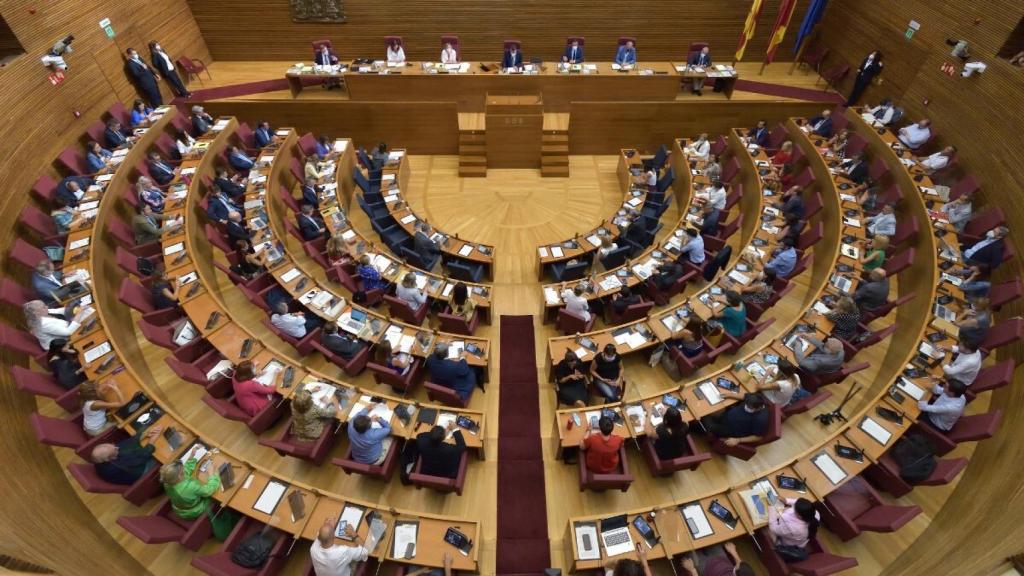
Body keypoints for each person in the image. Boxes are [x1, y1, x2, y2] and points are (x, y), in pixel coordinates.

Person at [159, 454, 237, 539]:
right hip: (194, 510)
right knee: (219, 495)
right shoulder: (190, 486)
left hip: (179, 508)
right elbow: (208, 491)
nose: (184, 471)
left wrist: (192, 457)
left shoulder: (167, 482)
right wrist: (212, 474)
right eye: (182, 471)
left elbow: (185, 473)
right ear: (179, 476)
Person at [91, 425, 162, 485]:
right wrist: (152, 440)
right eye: (115, 450)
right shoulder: (118, 465)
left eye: (113, 445)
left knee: (133, 448)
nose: (117, 447)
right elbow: (143, 455)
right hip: (137, 474)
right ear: (110, 459)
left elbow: (124, 445)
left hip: (129, 465)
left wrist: (145, 434)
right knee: (159, 455)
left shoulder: (101, 458)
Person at [701, 392, 769, 446]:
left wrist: (738, 440)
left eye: (749, 407)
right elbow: (744, 396)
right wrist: (728, 395)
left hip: (732, 429)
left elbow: (758, 437)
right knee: (708, 411)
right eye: (746, 404)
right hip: (727, 416)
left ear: (759, 408)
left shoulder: (760, 419)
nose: (746, 407)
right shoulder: (756, 397)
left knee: (707, 422)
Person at [23, 300, 91, 350]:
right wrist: (79, 313)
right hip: (62, 345)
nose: (47, 307)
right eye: (43, 307)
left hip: (67, 326)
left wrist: (76, 308)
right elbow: (68, 332)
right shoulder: (42, 324)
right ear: (36, 313)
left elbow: (60, 311)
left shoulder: (43, 312)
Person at [678, 541, 755, 576]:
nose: (738, 562)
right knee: (710, 536)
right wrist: (734, 552)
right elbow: (741, 566)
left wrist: (692, 570)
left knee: (687, 544)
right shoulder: (746, 574)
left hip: (705, 568)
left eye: (736, 567)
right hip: (721, 559)